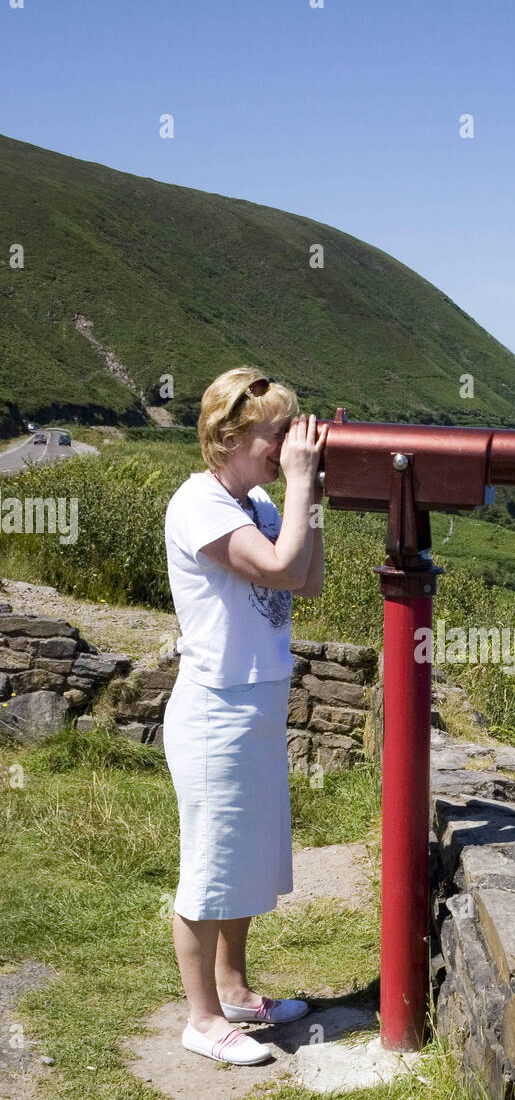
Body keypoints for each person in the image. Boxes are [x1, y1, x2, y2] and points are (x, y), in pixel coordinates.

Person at [162, 367, 327, 1064]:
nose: (289, 442)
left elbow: (309, 578)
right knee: (209, 866)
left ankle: (233, 990)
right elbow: (285, 570)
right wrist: (299, 483)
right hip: (214, 712)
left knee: (246, 858)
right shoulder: (200, 506)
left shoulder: (257, 500)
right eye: (276, 433)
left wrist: (305, 493)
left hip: (254, 704)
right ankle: (201, 1021)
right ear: (228, 437)